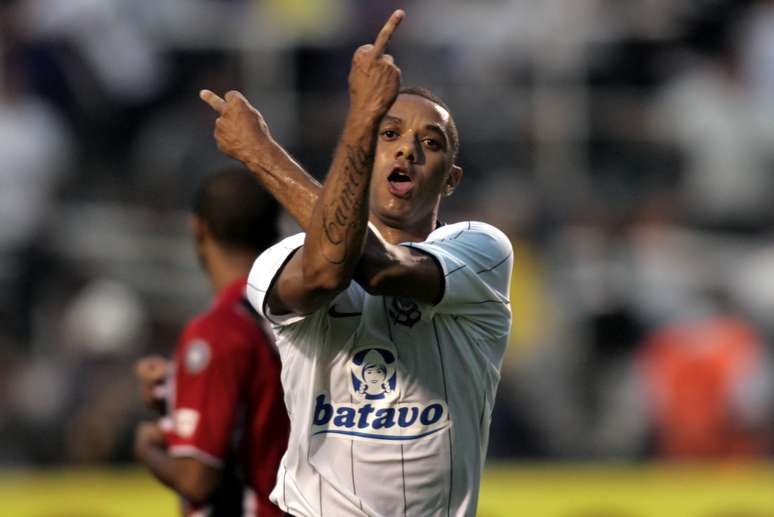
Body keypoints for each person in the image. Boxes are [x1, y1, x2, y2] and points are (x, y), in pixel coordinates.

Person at [201, 9, 513, 516]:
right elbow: (327, 269)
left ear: (451, 180)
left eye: (429, 143)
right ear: (362, 156)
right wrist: (361, 120)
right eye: (387, 135)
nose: (407, 149)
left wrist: (262, 153)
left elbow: (380, 269)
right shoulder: (279, 259)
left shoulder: (480, 250)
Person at [134, 167, 289, 517]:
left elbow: (196, 478)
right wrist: (173, 396)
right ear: (275, 232)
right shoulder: (304, 316)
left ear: (198, 228)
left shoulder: (219, 331)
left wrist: (145, 447)